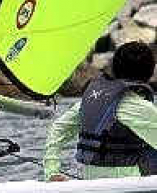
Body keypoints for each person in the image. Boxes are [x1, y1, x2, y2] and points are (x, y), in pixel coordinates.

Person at [42, 41, 157, 181]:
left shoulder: (91, 101)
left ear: (114, 69)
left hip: (90, 178)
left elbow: (58, 128)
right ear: (150, 72)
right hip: (130, 181)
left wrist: (52, 170)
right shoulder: (140, 108)